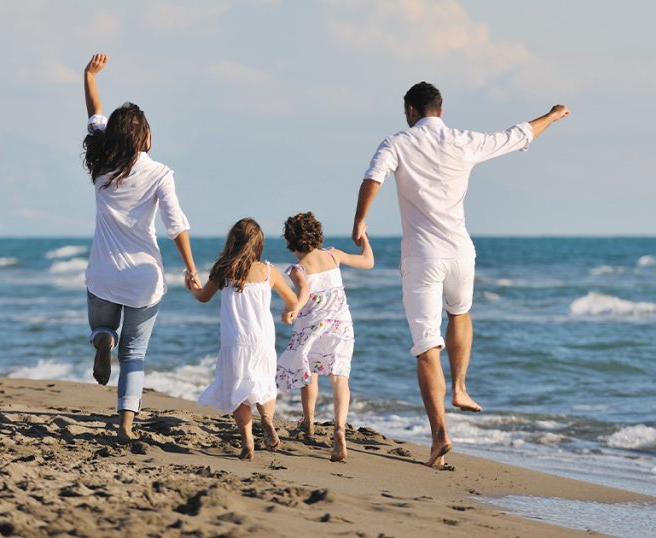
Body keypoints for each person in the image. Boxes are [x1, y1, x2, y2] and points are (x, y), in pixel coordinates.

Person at [351, 81, 570, 467]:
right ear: (441, 109)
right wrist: (552, 116)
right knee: (460, 313)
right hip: (460, 253)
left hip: (422, 257)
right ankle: (461, 387)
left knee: (425, 347)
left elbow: (373, 179)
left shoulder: (397, 142)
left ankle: (439, 436)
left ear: (411, 111)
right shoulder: (464, 141)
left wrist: (360, 222)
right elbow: (516, 135)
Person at [81, 53, 200, 444]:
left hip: (103, 273)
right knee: (134, 355)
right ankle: (126, 424)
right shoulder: (160, 173)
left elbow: (95, 112)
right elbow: (176, 225)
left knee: (104, 326)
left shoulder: (100, 163)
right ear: (143, 136)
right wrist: (191, 267)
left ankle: (101, 339)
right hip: (144, 279)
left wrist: (90, 75)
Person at [190, 218, 300, 460]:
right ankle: (268, 420)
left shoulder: (223, 269)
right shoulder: (268, 271)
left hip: (234, 341)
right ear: (259, 243)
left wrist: (192, 286)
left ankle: (248, 441)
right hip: (262, 340)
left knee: (238, 388)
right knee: (264, 384)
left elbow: (203, 297)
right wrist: (287, 312)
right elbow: (293, 300)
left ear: (233, 241)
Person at [276, 212, 374, 462]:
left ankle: (308, 423)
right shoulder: (333, 255)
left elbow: (305, 291)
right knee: (340, 377)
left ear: (291, 242)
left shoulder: (298, 268)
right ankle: (339, 430)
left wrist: (293, 309)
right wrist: (364, 238)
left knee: (310, 373)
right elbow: (368, 262)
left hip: (312, 325)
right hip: (341, 325)